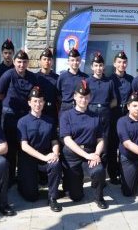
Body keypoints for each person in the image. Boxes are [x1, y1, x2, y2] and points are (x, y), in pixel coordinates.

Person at [59, 80, 108, 209]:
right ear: (75, 97)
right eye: (80, 97)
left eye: (86, 97)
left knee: (98, 170)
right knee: (76, 197)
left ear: (90, 98)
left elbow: (100, 139)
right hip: (72, 156)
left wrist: (97, 154)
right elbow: (67, 140)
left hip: (91, 153)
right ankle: (72, 186)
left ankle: (99, 197)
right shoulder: (66, 116)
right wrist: (87, 155)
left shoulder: (95, 116)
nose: (83, 100)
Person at [17, 86, 62, 212]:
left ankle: (52, 197)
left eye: (40, 101)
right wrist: (44, 157)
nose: (38, 104)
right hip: (29, 159)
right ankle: (24, 185)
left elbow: (54, 140)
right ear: (29, 103)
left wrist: (55, 154)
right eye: (35, 101)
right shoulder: (22, 122)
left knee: (55, 164)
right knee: (31, 197)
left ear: (44, 102)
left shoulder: (50, 120)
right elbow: (24, 146)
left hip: (46, 156)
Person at [0, 49, 38, 185]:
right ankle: (9, 179)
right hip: (10, 116)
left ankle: (22, 177)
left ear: (28, 63)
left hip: (25, 117)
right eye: (19, 62)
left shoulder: (32, 77)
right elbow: (0, 94)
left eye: (24, 62)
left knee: (23, 148)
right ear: (14, 62)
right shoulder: (7, 75)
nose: (21, 65)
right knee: (9, 148)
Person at [87, 52, 117, 170]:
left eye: (100, 65)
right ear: (92, 67)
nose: (98, 68)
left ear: (103, 67)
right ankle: (91, 169)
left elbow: (114, 100)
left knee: (104, 143)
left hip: (105, 114)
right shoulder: (87, 82)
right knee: (91, 142)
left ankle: (101, 173)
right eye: (96, 65)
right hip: (91, 113)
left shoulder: (109, 82)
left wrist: (105, 107)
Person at [109, 51, 134, 185]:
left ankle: (127, 171)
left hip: (127, 115)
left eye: (124, 62)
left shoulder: (131, 79)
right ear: (114, 64)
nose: (122, 64)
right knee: (113, 146)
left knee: (127, 144)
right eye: (119, 62)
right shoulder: (109, 79)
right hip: (114, 114)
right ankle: (113, 174)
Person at [56, 48, 88, 113]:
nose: (75, 62)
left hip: (80, 109)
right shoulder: (62, 77)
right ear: (68, 61)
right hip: (65, 108)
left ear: (80, 61)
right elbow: (57, 94)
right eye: (72, 60)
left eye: (77, 60)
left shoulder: (85, 77)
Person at [35, 48, 60, 124]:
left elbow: (59, 98)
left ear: (52, 61)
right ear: (40, 61)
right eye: (44, 59)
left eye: (49, 59)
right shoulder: (35, 77)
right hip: (38, 111)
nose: (47, 61)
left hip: (52, 112)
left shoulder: (57, 78)